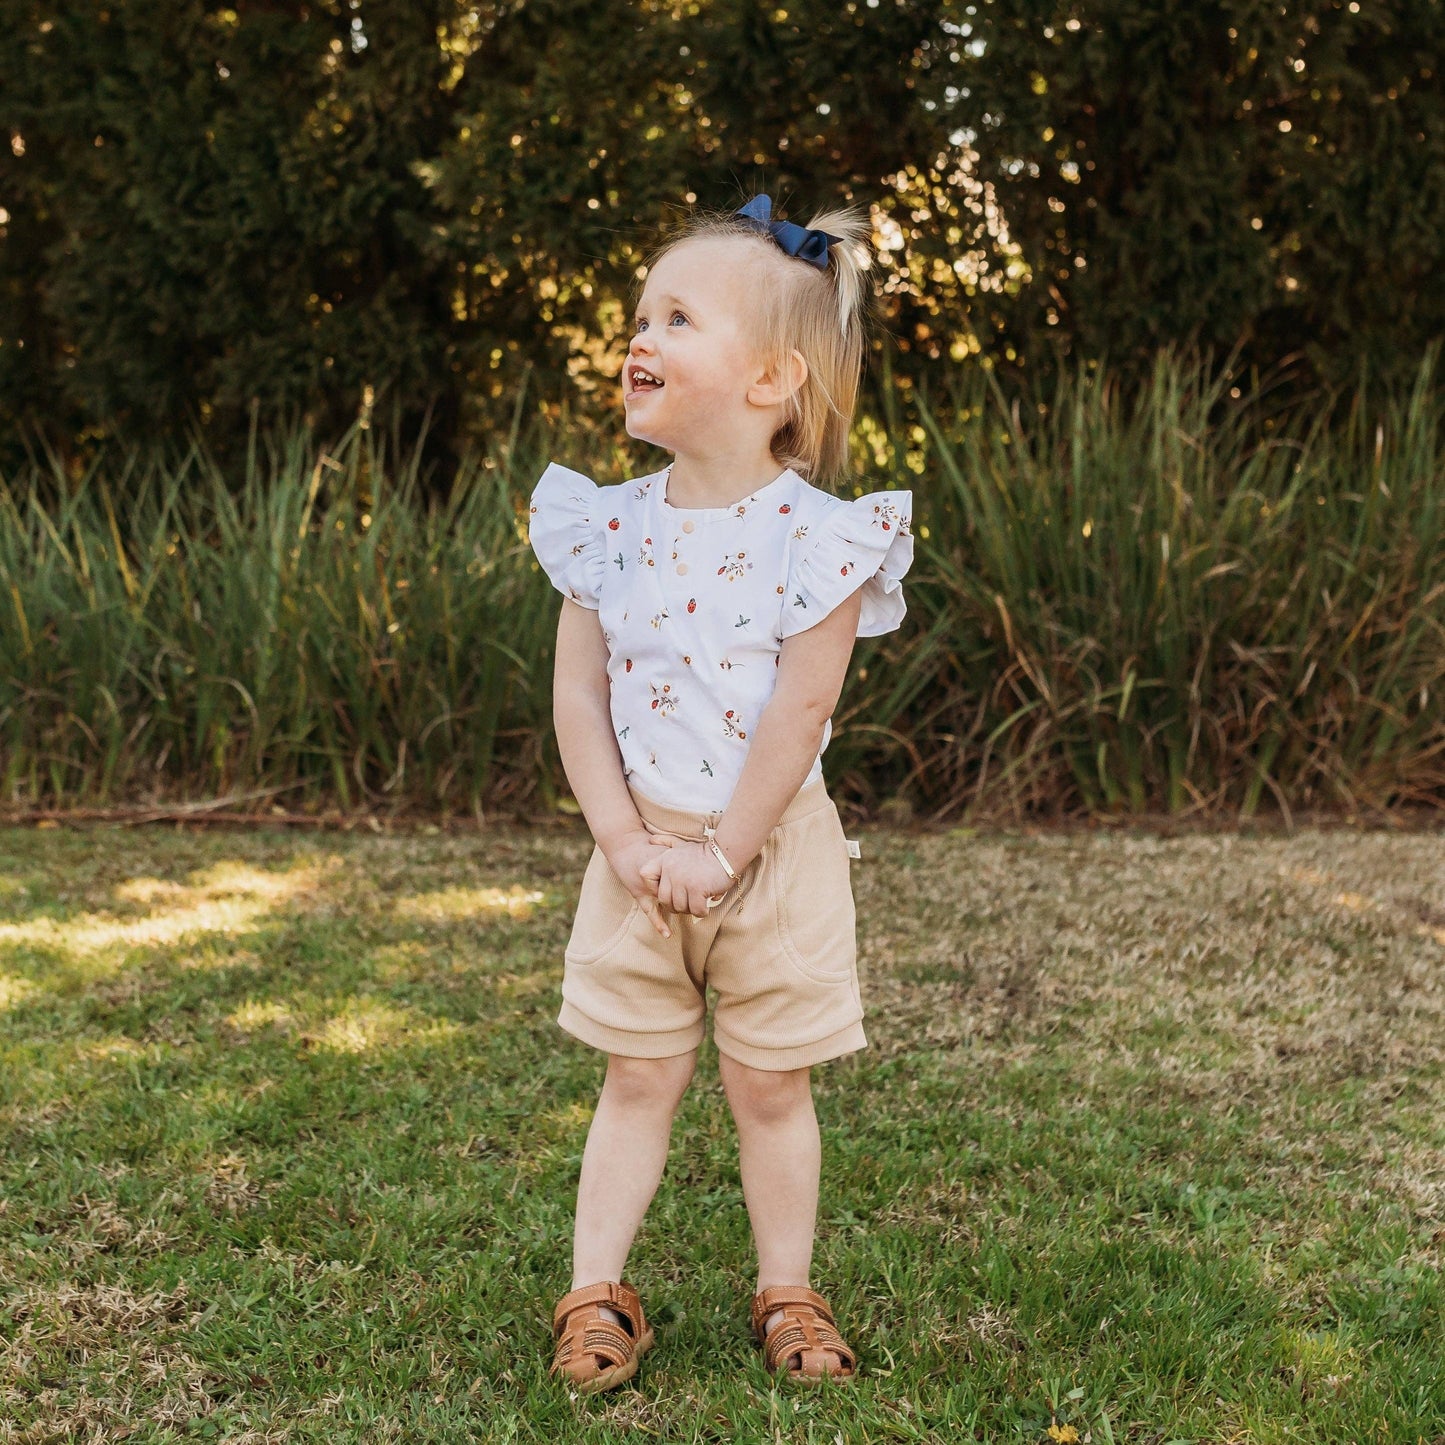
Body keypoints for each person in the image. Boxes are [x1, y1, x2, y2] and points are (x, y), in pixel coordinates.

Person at [527, 193, 914, 1394]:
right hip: (638, 853)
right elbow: (577, 695)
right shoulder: (602, 525)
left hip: (771, 852)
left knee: (768, 1081)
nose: (640, 335)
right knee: (636, 1074)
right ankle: (595, 1290)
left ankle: (786, 1288)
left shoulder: (820, 539)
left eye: (677, 318)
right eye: (642, 315)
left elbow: (799, 710)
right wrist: (623, 839)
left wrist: (725, 851)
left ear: (768, 379)